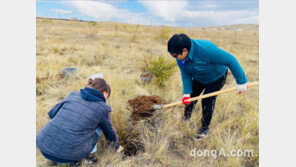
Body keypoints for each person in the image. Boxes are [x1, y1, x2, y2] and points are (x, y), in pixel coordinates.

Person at [167, 34, 248, 140]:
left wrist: (241, 82)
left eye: (175, 55)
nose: (175, 58)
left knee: (207, 101)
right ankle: (186, 118)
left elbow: (231, 60)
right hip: (199, 77)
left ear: (185, 50)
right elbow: (185, 74)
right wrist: (186, 92)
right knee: (191, 97)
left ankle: (204, 129)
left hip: (216, 77)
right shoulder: (180, 58)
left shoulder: (206, 49)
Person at [36, 77, 122, 166]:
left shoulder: (73, 95)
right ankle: (79, 160)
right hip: (68, 156)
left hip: (43, 146)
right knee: (99, 126)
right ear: (105, 93)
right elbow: (110, 132)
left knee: (71, 121)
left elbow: (51, 113)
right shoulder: (103, 108)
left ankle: (58, 156)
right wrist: (116, 147)